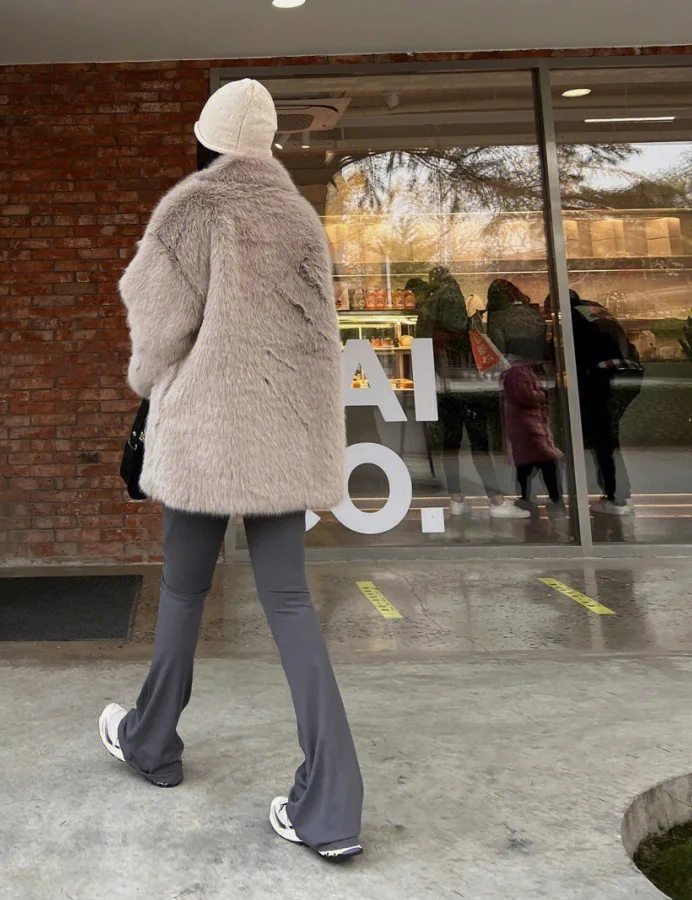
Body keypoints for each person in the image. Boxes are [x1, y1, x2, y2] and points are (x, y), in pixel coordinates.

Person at [98, 79, 364, 860]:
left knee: (183, 590)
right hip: (279, 437)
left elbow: (155, 323)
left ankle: (152, 742)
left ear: (206, 137)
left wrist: (147, 383)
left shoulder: (194, 206)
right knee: (289, 605)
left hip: (210, 435)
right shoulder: (299, 218)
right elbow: (320, 339)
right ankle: (334, 808)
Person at [416, 269, 530, 519]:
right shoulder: (462, 322)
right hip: (468, 387)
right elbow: (477, 350)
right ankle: (496, 501)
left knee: (451, 445)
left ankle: (456, 499)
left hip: (444, 386)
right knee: (480, 444)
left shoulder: (428, 315)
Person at [488, 280, 565, 514]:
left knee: (522, 445)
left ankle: (525, 497)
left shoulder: (498, 317)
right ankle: (555, 497)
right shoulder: (533, 313)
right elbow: (545, 344)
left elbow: (496, 350)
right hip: (539, 377)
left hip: (514, 378)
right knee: (542, 439)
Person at [569, 290, 643, 515]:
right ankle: (619, 493)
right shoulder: (595, 309)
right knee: (610, 436)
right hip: (630, 372)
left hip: (604, 376)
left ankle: (617, 497)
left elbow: (574, 352)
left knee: (604, 438)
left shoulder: (573, 317)